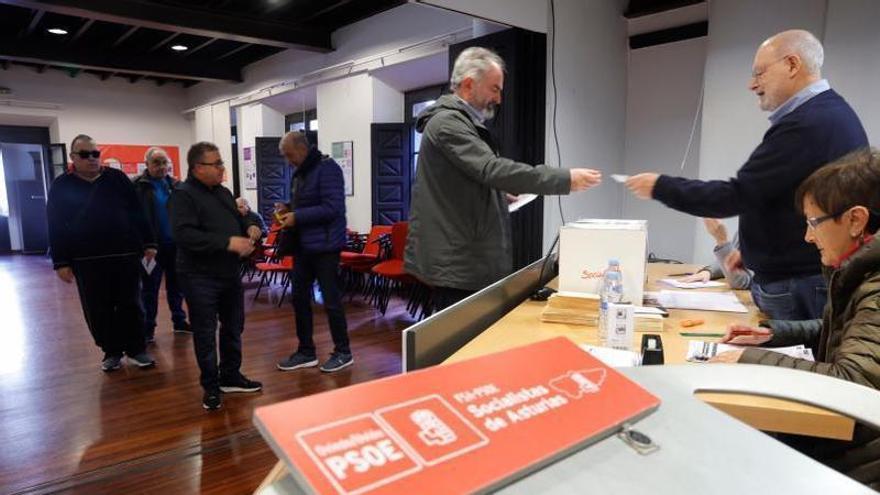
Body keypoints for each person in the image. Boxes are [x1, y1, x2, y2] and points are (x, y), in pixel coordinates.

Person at [625, 29, 867, 321]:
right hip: (796, 279)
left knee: (787, 364)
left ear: (792, 65)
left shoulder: (808, 125)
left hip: (799, 285)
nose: (752, 84)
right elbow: (775, 193)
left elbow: (737, 195)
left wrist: (660, 186)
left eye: (759, 73)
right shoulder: (825, 115)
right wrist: (753, 251)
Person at [709, 148, 880, 489]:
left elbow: (854, 382)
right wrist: (771, 335)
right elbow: (844, 332)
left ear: (856, 219)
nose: (808, 236)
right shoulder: (860, 271)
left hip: (860, 462)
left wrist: (750, 359)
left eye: (814, 222)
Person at [404, 46, 603, 310]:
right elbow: (492, 169)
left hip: (465, 260)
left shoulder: (463, 122)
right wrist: (564, 179)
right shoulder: (447, 125)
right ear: (468, 84)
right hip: (457, 266)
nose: (499, 99)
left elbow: (469, 181)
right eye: (494, 89)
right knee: (461, 346)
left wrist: (496, 196)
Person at [46, 134, 156, 371]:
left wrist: (149, 242)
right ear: (73, 157)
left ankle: (137, 349)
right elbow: (55, 225)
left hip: (125, 255)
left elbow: (137, 212)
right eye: (85, 154)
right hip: (87, 260)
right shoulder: (61, 186)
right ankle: (111, 351)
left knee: (132, 304)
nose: (91, 158)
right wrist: (61, 262)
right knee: (98, 308)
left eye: (95, 153)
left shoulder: (117, 179)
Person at [169, 141, 263, 411]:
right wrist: (228, 243)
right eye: (217, 163)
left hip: (229, 273)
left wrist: (252, 226)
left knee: (234, 326)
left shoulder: (222, 192)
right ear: (198, 168)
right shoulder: (183, 195)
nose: (223, 167)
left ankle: (230, 376)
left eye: (221, 162)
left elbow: (240, 218)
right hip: (199, 276)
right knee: (206, 332)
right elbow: (184, 235)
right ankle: (211, 386)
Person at [274, 132, 352, 373]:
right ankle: (306, 351)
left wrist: (297, 216)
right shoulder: (301, 172)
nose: (288, 161)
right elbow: (307, 203)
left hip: (326, 247)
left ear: (301, 148)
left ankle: (343, 352)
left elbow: (333, 208)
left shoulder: (328, 169)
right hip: (303, 246)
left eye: (289, 155)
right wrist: (288, 208)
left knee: (331, 302)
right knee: (299, 299)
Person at [133, 147, 190, 342]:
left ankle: (179, 321)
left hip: (175, 247)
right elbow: (134, 219)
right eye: (156, 162)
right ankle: (148, 327)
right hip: (150, 250)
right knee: (150, 289)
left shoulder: (176, 185)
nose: (161, 166)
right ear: (147, 164)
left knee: (177, 286)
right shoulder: (138, 186)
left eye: (164, 162)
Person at [681, 218, 752, 289]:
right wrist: (709, 271)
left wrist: (721, 240)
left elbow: (742, 282)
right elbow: (733, 260)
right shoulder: (749, 227)